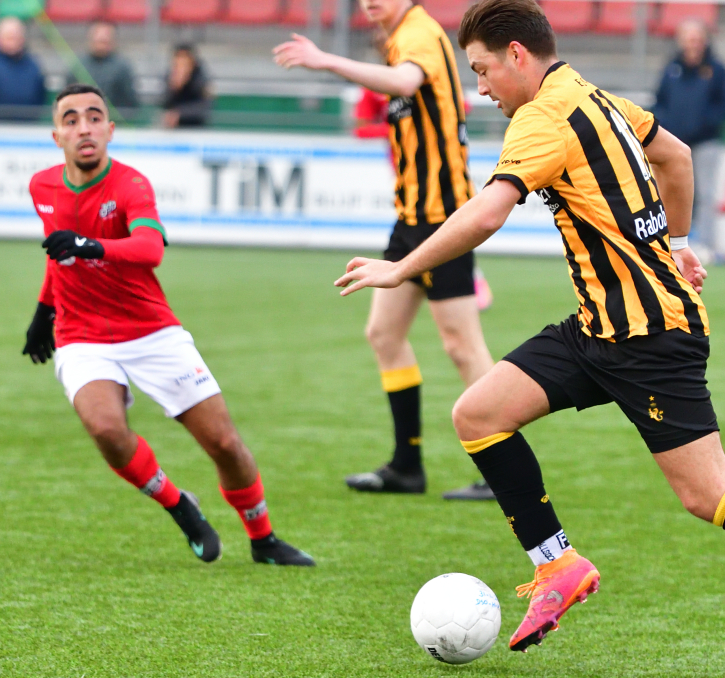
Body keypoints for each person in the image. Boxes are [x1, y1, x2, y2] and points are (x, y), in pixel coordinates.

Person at [335, 2, 725, 675]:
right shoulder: (591, 95)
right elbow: (676, 154)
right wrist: (681, 244)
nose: (481, 87)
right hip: (598, 327)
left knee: (707, 493)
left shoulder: (541, 117)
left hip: (651, 336)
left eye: (484, 70)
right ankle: (558, 566)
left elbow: (488, 211)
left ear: (518, 54)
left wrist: (402, 267)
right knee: (479, 414)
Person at [22, 83, 313, 567]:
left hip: (151, 331)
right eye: (70, 120)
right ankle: (180, 506)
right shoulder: (42, 187)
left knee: (223, 443)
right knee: (107, 430)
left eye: (94, 117)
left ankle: (263, 539)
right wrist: (44, 310)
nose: (84, 127)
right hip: (82, 336)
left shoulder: (130, 184)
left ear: (110, 130)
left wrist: (92, 246)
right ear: (56, 136)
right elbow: (59, 255)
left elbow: (150, 249)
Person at [274, 0, 497, 500]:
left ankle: (497, 467)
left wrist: (326, 60)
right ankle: (406, 465)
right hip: (412, 218)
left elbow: (405, 83)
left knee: (462, 344)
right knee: (383, 332)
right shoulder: (399, 37)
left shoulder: (417, 31)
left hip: (443, 217)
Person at [652, 18, 725, 254]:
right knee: (669, 193)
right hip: (674, 144)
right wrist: (666, 126)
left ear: (705, 40)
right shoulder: (671, 69)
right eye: (688, 38)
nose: (693, 43)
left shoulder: (717, 70)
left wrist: (705, 124)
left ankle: (706, 245)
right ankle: (668, 245)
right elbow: (660, 101)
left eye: (697, 38)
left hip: (706, 142)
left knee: (706, 194)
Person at [67, 22, 139, 113]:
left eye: (104, 41)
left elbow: (130, 102)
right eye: (98, 40)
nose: (101, 44)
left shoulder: (122, 68)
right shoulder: (77, 66)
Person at [0, 16, 45, 121]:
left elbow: (40, 95)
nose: (13, 41)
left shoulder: (33, 65)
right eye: (9, 37)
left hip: (27, 127)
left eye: (16, 37)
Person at [162, 44, 211, 128]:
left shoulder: (200, 79)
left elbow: (204, 106)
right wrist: (174, 88)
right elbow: (163, 103)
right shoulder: (170, 76)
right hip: (172, 131)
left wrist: (180, 113)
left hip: (196, 129)